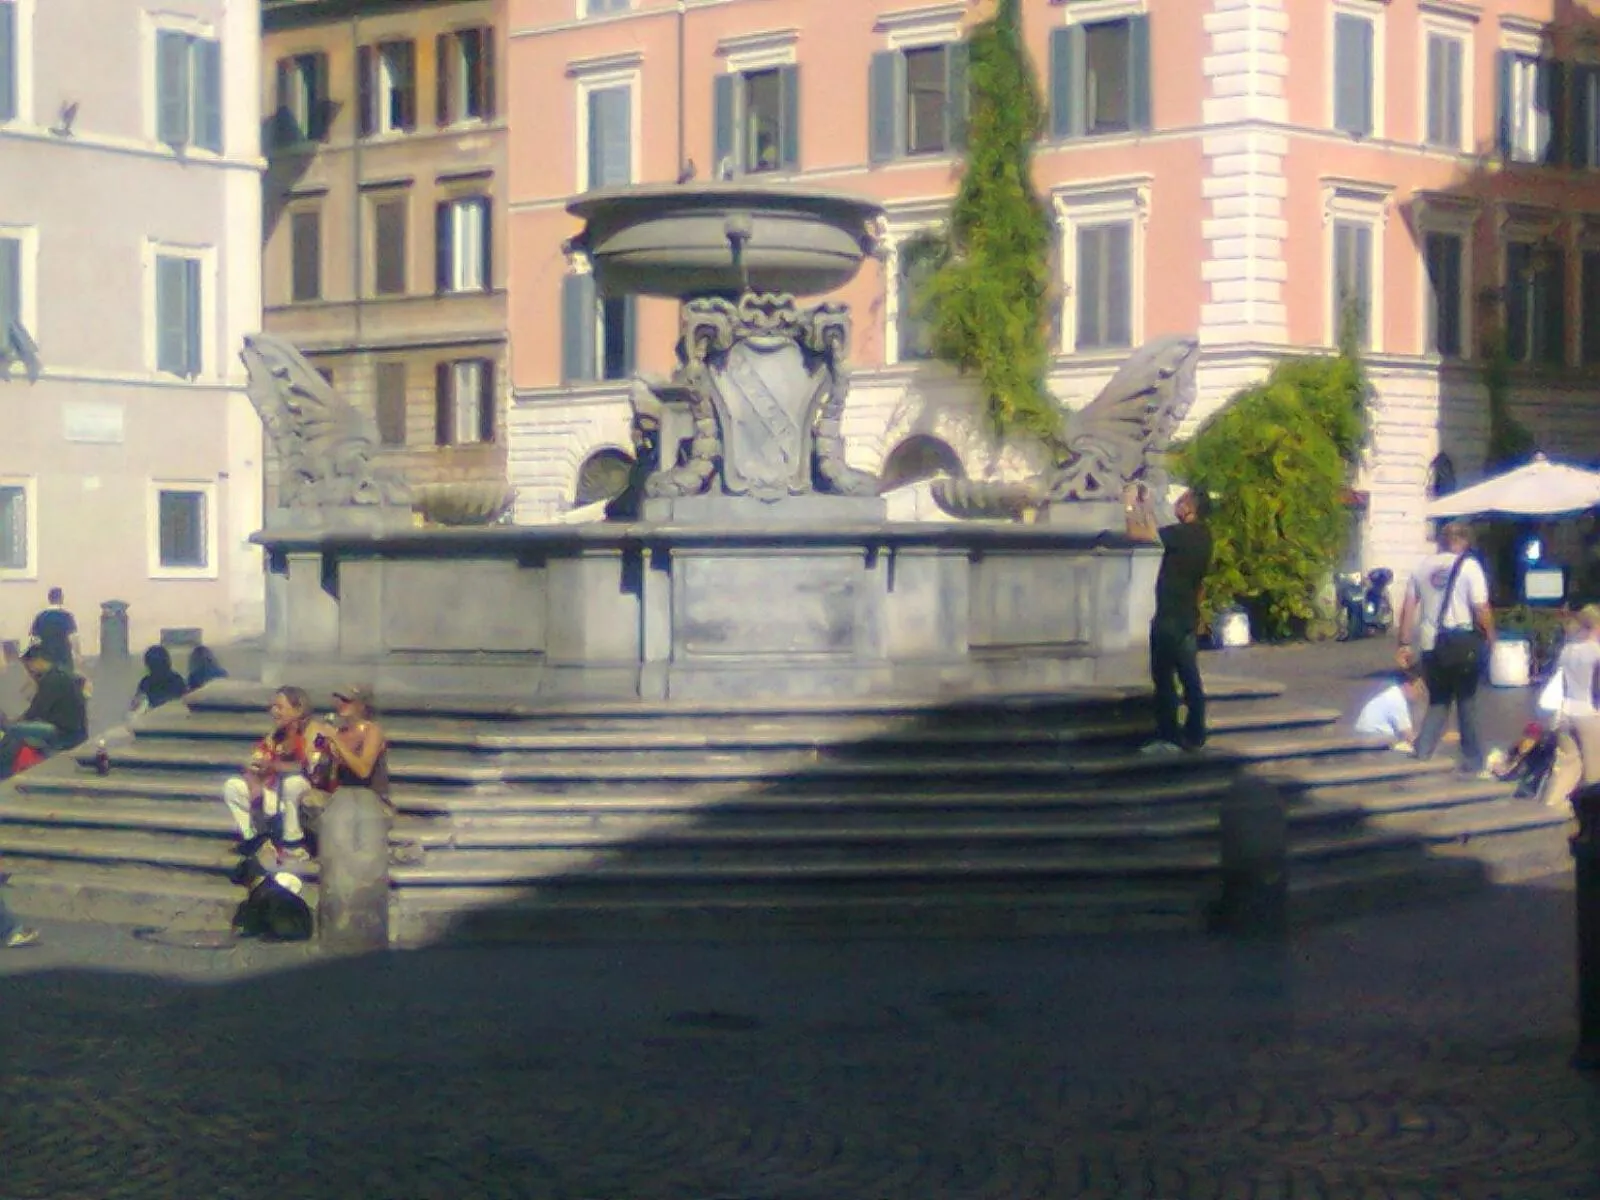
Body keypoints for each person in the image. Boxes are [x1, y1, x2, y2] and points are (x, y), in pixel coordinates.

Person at [1397, 521, 1496, 776]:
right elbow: (1481, 608)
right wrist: (1492, 638)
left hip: (1431, 646)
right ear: (1464, 541)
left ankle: (1423, 750)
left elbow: (1408, 607)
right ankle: (1473, 761)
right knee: (1467, 701)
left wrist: (1404, 643)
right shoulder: (1469, 566)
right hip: (1461, 643)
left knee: (1438, 700)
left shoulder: (1421, 567)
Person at [1125, 482, 1214, 755]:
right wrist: (1147, 506)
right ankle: (1196, 733)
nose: (1177, 505)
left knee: (1163, 677)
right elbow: (1200, 584)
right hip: (1186, 614)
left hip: (1169, 616)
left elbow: (1138, 534)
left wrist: (1129, 505)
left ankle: (1169, 735)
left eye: (1182, 501)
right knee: (1189, 675)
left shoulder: (1181, 535)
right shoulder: (1204, 537)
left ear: (1189, 507)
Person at [221, 687, 314, 855]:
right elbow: (252, 763)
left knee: (293, 783)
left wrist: (273, 766)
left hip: (302, 794)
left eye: (279, 707)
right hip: (272, 794)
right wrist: (254, 783)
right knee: (232, 786)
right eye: (272, 707)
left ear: (298, 709)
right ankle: (254, 839)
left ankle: (293, 843)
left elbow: (307, 767)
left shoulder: (312, 732)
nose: (273, 711)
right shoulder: (274, 736)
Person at [298, 685, 392, 849]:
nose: (341, 703)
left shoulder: (371, 731)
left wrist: (336, 741)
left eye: (347, 700)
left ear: (361, 705)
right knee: (307, 799)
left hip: (369, 800)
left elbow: (363, 771)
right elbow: (320, 776)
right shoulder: (339, 732)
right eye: (338, 699)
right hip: (340, 798)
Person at [1535, 604, 1600, 809]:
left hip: (1565, 713)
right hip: (1588, 714)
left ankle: (1553, 803)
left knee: (1566, 765)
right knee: (1594, 768)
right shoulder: (1595, 652)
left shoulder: (1567, 650)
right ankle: (1590, 813)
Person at [0, 644, 89, 779]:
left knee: (15, 731)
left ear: (37, 661)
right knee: (14, 731)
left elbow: (36, 712)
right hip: (72, 731)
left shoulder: (51, 680)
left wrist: (13, 723)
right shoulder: (59, 675)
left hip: (63, 733)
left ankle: (3, 774)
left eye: (28, 666)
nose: (29, 671)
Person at [1354, 667, 1427, 752]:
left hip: (1366, 735)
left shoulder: (1393, 693)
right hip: (1374, 739)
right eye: (1418, 688)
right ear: (1407, 686)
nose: (1420, 693)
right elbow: (1408, 735)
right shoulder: (1397, 700)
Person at [27, 587, 79, 673]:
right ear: (61, 598)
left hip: (46, 661)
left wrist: (35, 659)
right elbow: (74, 639)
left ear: (49, 599)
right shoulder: (67, 616)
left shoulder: (40, 617)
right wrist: (77, 655)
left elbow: (34, 641)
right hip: (64, 660)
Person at [130, 645, 188, 715]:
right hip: (159, 719)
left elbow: (134, 707)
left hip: (169, 718)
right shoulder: (146, 682)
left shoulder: (177, 681)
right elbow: (135, 705)